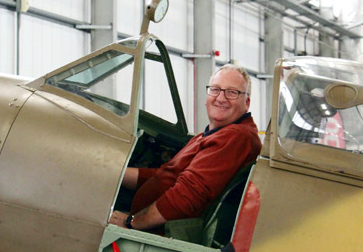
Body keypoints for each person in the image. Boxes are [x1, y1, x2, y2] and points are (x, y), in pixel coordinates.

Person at [109, 65, 261, 231]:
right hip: (154, 225)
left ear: (246, 103)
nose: (221, 98)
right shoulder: (211, 135)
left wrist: (131, 222)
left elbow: (187, 195)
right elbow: (164, 175)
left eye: (232, 92)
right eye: (215, 89)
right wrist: (116, 172)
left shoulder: (235, 137)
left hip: (167, 233)